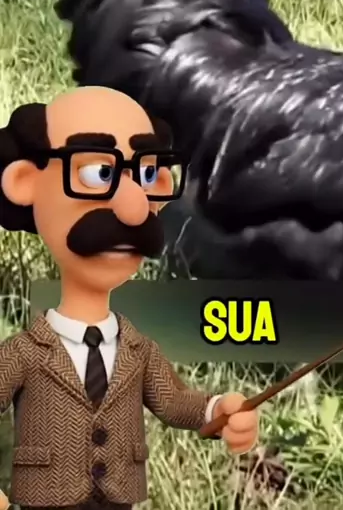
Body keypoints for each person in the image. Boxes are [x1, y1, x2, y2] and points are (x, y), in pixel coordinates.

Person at [0, 86, 258, 510]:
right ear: (25, 182)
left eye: (146, 175)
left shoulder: (138, 351)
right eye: (97, 173)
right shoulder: (23, 354)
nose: (135, 208)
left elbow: (173, 403)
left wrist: (217, 410)